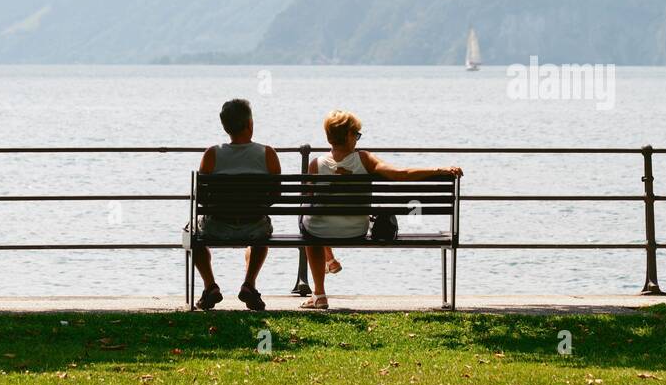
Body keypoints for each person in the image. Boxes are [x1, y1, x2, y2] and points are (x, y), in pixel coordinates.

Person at [300, 110, 463, 309]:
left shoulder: (315, 164)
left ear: (329, 137)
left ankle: (319, 293)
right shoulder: (365, 159)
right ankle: (329, 260)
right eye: (357, 135)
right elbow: (400, 174)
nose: (357, 140)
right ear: (349, 135)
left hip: (320, 231)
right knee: (314, 222)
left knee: (308, 223)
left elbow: (307, 199)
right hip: (356, 230)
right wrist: (439, 170)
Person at [189, 97, 280, 312]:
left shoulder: (212, 154)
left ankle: (210, 286)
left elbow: (202, 198)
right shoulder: (267, 154)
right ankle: (249, 284)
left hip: (217, 227)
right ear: (250, 124)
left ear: (225, 127)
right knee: (263, 228)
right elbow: (276, 194)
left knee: (191, 231)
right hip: (254, 226)